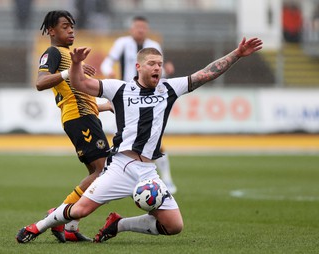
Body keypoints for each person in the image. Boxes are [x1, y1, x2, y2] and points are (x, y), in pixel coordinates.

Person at [15, 37, 263, 243]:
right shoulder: (120, 89)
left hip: (147, 172)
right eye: (152, 64)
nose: (158, 68)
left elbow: (205, 75)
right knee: (80, 210)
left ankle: (119, 224)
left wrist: (237, 54)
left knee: (174, 225)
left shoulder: (169, 89)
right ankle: (38, 226)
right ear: (139, 67)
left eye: (160, 64)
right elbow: (79, 83)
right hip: (120, 166)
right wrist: (77, 63)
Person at [16, 10, 110, 243]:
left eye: (72, 26)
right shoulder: (53, 52)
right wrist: (69, 71)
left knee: (98, 173)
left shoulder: (69, 54)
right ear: (51, 31)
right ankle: (58, 216)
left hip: (86, 115)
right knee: (103, 172)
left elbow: (76, 94)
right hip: (79, 119)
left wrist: (105, 106)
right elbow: (40, 82)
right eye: (65, 26)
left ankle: (69, 225)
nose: (71, 30)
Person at [100, 16, 177, 193]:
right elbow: (107, 62)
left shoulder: (153, 46)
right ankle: (115, 175)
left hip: (149, 98)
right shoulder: (122, 43)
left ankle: (167, 179)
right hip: (127, 98)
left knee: (154, 138)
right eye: (137, 27)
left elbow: (159, 71)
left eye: (143, 27)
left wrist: (167, 70)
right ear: (131, 29)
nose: (140, 30)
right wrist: (108, 71)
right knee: (122, 137)